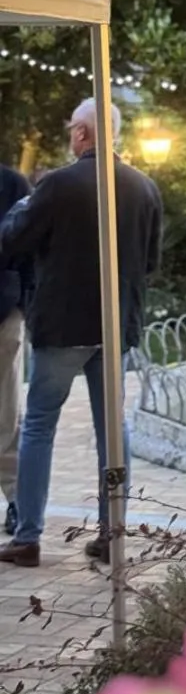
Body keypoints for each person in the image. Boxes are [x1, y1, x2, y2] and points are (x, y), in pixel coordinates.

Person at [0, 98, 162, 568]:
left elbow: (11, 241)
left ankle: (28, 536)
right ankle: (113, 533)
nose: (70, 134)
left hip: (61, 326)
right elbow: (150, 262)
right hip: (115, 327)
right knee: (113, 429)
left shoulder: (57, 184)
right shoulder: (144, 187)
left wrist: (24, 206)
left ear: (83, 134)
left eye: (73, 127)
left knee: (39, 427)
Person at [0, 162, 31, 537]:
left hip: (3, 313)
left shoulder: (12, 184)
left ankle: (16, 500)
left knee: (6, 413)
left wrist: (22, 305)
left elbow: (31, 248)